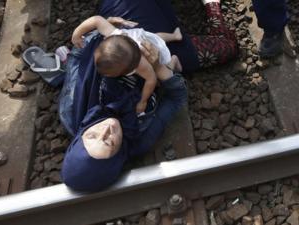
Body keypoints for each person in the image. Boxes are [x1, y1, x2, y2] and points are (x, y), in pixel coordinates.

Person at [59, 0, 238, 192]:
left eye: (92, 135)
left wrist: (107, 29)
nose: (107, 129)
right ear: (117, 156)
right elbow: (177, 97)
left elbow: (78, 54)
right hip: (161, 56)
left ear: (79, 137)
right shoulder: (140, 138)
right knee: (227, 47)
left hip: (123, 35)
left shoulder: (72, 110)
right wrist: (158, 67)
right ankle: (211, 6)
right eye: (109, 142)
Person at [71, 15, 182, 113]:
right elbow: (96, 20)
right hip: (141, 37)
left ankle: (174, 60)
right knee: (156, 37)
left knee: (160, 79)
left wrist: (143, 101)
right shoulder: (113, 34)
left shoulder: (140, 64)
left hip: (153, 52)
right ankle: (174, 36)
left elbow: (151, 80)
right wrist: (77, 33)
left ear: (130, 70)